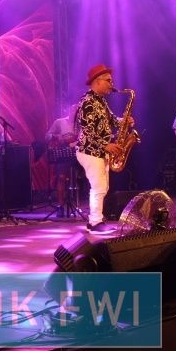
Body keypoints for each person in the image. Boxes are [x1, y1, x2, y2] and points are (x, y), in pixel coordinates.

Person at [75, 64, 134, 234]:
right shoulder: (87, 102)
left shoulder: (100, 101)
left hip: (99, 151)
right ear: (97, 81)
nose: (111, 84)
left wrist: (124, 121)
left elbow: (113, 120)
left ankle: (95, 220)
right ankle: (95, 222)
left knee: (103, 187)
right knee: (99, 186)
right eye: (108, 81)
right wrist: (105, 145)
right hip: (89, 151)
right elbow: (87, 130)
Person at [45, 104, 79, 216]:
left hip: (79, 153)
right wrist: (56, 137)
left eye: (78, 111)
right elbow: (47, 136)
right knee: (61, 177)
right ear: (69, 110)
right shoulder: (60, 122)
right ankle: (60, 206)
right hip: (63, 154)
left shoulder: (81, 123)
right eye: (74, 110)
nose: (76, 112)